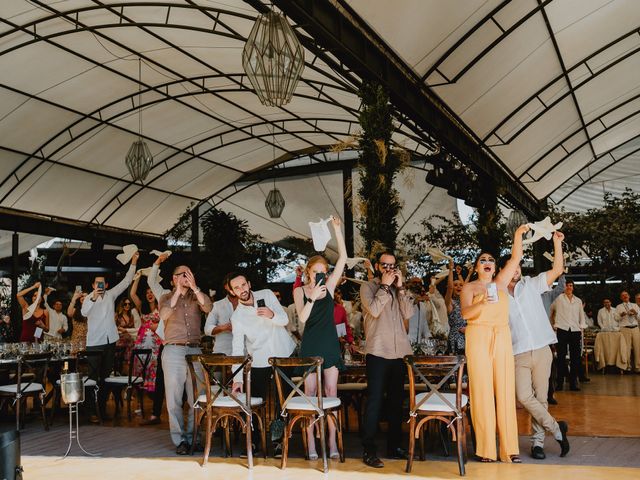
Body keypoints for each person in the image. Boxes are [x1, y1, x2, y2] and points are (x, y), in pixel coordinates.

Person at [460, 224, 529, 463]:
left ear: (494, 267)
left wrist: (518, 235)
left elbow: (516, 257)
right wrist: (483, 303)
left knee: (505, 390)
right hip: (477, 336)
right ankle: (486, 450)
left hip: (501, 336)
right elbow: (466, 314)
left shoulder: (500, 283)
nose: (487, 261)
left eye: (490, 259)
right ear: (477, 267)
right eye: (482, 260)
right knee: (481, 392)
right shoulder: (469, 287)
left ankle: (510, 449)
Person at [500, 230, 570, 460]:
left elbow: (557, 270)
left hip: (542, 349)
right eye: (514, 266)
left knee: (541, 398)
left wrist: (557, 244)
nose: (518, 269)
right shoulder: (497, 295)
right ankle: (557, 429)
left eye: (519, 266)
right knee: (523, 396)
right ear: (505, 270)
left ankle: (537, 444)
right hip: (517, 352)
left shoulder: (531, 284)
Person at [292, 216, 347, 460]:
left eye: (324, 272)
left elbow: (344, 258)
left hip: (329, 344)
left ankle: (332, 441)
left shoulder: (331, 288)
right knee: (310, 395)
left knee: (331, 392)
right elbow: (302, 319)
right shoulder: (299, 291)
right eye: (317, 272)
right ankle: (311, 445)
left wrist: (337, 230)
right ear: (308, 273)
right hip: (311, 345)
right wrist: (313, 296)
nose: (322, 275)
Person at [229, 272, 296, 455]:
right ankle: (254, 442)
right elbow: (237, 348)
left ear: (249, 284)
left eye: (243, 285)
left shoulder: (266, 294)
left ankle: (278, 442)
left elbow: (284, 320)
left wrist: (271, 314)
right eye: (236, 288)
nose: (241, 290)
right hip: (259, 360)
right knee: (255, 402)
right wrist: (237, 379)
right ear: (232, 292)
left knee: (281, 403)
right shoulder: (237, 317)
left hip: (283, 354)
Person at [360, 250, 414, 469]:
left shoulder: (398, 289)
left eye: (392, 265)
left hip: (399, 353)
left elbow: (409, 313)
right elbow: (373, 310)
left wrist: (400, 287)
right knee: (374, 402)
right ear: (376, 266)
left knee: (395, 402)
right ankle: (369, 450)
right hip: (377, 352)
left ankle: (394, 446)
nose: (389, 269)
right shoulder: (368, 287)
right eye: (385, 265)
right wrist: (384, 285)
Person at [159, 265, 211, 454]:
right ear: (174, 278)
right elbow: (163, 314)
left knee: (196, 397)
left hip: (195, 350)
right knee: (173, 399)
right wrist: (177, 292)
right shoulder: (165, 297)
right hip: (173, 350)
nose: (187, 277)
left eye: (190, 273)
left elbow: (208, 307)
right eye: (183, 274)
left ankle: (194, 437)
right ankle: (180, 440)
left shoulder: (197, 296)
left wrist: (195, 288)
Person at [81, 253, 138, 422]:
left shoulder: (112, 295)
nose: (100, 285)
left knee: (106, 377)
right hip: (94, 343)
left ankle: (102, 408)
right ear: (93, 285)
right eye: (97, 283)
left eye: (103, 283)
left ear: (106, 284)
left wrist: (133, 262)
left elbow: (127, 281)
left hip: (110, 341)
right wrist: (93, 297)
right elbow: (84, 312)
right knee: (92, 378)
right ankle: (90, 411)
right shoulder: (88, 298)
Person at [130, 271, 164, 425]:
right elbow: (132, 294)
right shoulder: (142, 307)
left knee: (155, 373)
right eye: (148, 292)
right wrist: (137, 279)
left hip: (157, 344)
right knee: (140, 374)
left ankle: (155, 402)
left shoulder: (161, 306)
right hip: (142, 343)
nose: (150, 294)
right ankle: (138, 404)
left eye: (152, 292)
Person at [551, 280, 588, 390]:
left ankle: (573, 383)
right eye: (567, 285)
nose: (569, 287)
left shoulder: (578, 301)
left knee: (575, 358)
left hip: (575, 330)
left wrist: (581, 327)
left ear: (573, 287)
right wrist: (553, 324)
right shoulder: (558, 298)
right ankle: (560, 383)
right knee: (561, 357)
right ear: (564, 287)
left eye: (571, 285)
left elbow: (581, 316)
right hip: (562, 329)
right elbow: (551, 311)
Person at [203, 273, 238, 356]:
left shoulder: (250, 304)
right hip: (222, 354)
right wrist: (225, 327)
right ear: (225, 286)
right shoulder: (217, 305)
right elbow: (207, 329)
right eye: (229, 284)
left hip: (248, 354)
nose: (233, 287)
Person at [614, 291, 640, 373]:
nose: (625, 296)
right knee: (627, 348)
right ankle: (628, 366)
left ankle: (637, 367)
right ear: (621, 298)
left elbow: (639, 318)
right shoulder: (618, 307)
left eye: (626, 295)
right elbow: (616, 318)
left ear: (629, 296)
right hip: (625, 328)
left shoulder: (635, 305)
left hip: (635, 328)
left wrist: (636, 313)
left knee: (637, 348)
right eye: (623, 295)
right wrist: (621, 315)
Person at [445, 259, 466, 354]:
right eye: (455, 285)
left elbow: (466, 288)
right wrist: (451, 270)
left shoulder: (466, 302)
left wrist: (459, 274)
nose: (458, 287)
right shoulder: (450, 303)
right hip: (456, 338)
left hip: (469, 335)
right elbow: (449, 287)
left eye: (460, 285)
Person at [406, 277, 431, 346]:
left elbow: (424, 323)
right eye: (414, 282)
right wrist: (416, 301)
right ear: (408, 284)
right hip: (406, 340)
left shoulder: (422, 304)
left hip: (418, 343)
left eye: (419, 283)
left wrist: (429, 336)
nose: (417, 285)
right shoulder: (404, 297)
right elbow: (405, 307)